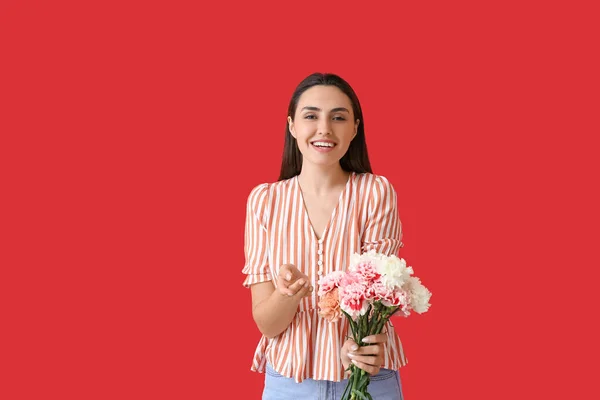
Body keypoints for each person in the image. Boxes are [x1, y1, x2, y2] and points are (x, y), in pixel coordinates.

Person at [242, 72, 407, 399]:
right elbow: (267, 324)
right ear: (292, 126)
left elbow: (380, 291)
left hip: (366, 378)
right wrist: (287, 295)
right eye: (311, 116)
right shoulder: (264, 201)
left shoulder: (375, 192)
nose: (324, 129)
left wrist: (356, 348)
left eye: (338, 117)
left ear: (355, 128)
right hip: (289, 384)